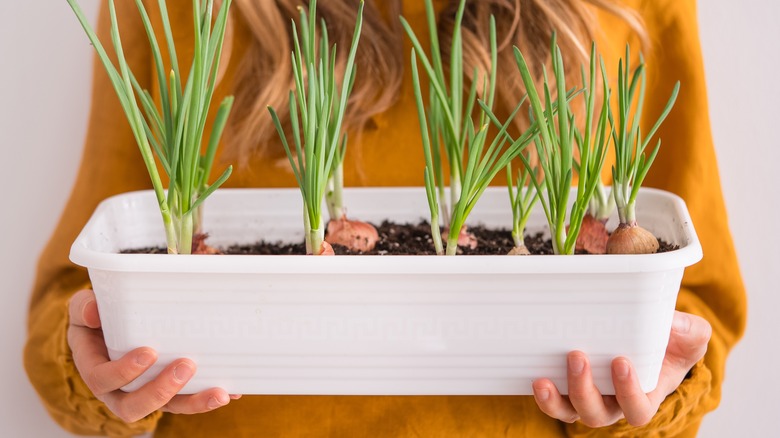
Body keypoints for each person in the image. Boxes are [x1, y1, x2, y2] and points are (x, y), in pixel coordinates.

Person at [25, 0, 745, 436]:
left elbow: (696, 302)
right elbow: (79, 291)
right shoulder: (178, 11)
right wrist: (98, 361)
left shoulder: (625, 11)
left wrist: (647, 384)